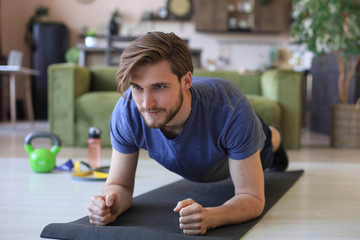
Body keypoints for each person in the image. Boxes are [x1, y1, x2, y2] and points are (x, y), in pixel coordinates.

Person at [87, 31, 288, 235]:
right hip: (200, 162)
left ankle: (276, 136)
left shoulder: (231, 109)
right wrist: (109, 204)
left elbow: (252, 198)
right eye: (137, 87)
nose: (147, 104)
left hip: (241, 148)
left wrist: (212, 217)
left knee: (268, 141)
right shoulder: (127, 111)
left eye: (159, 87)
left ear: (186, 81)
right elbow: (119, 185)